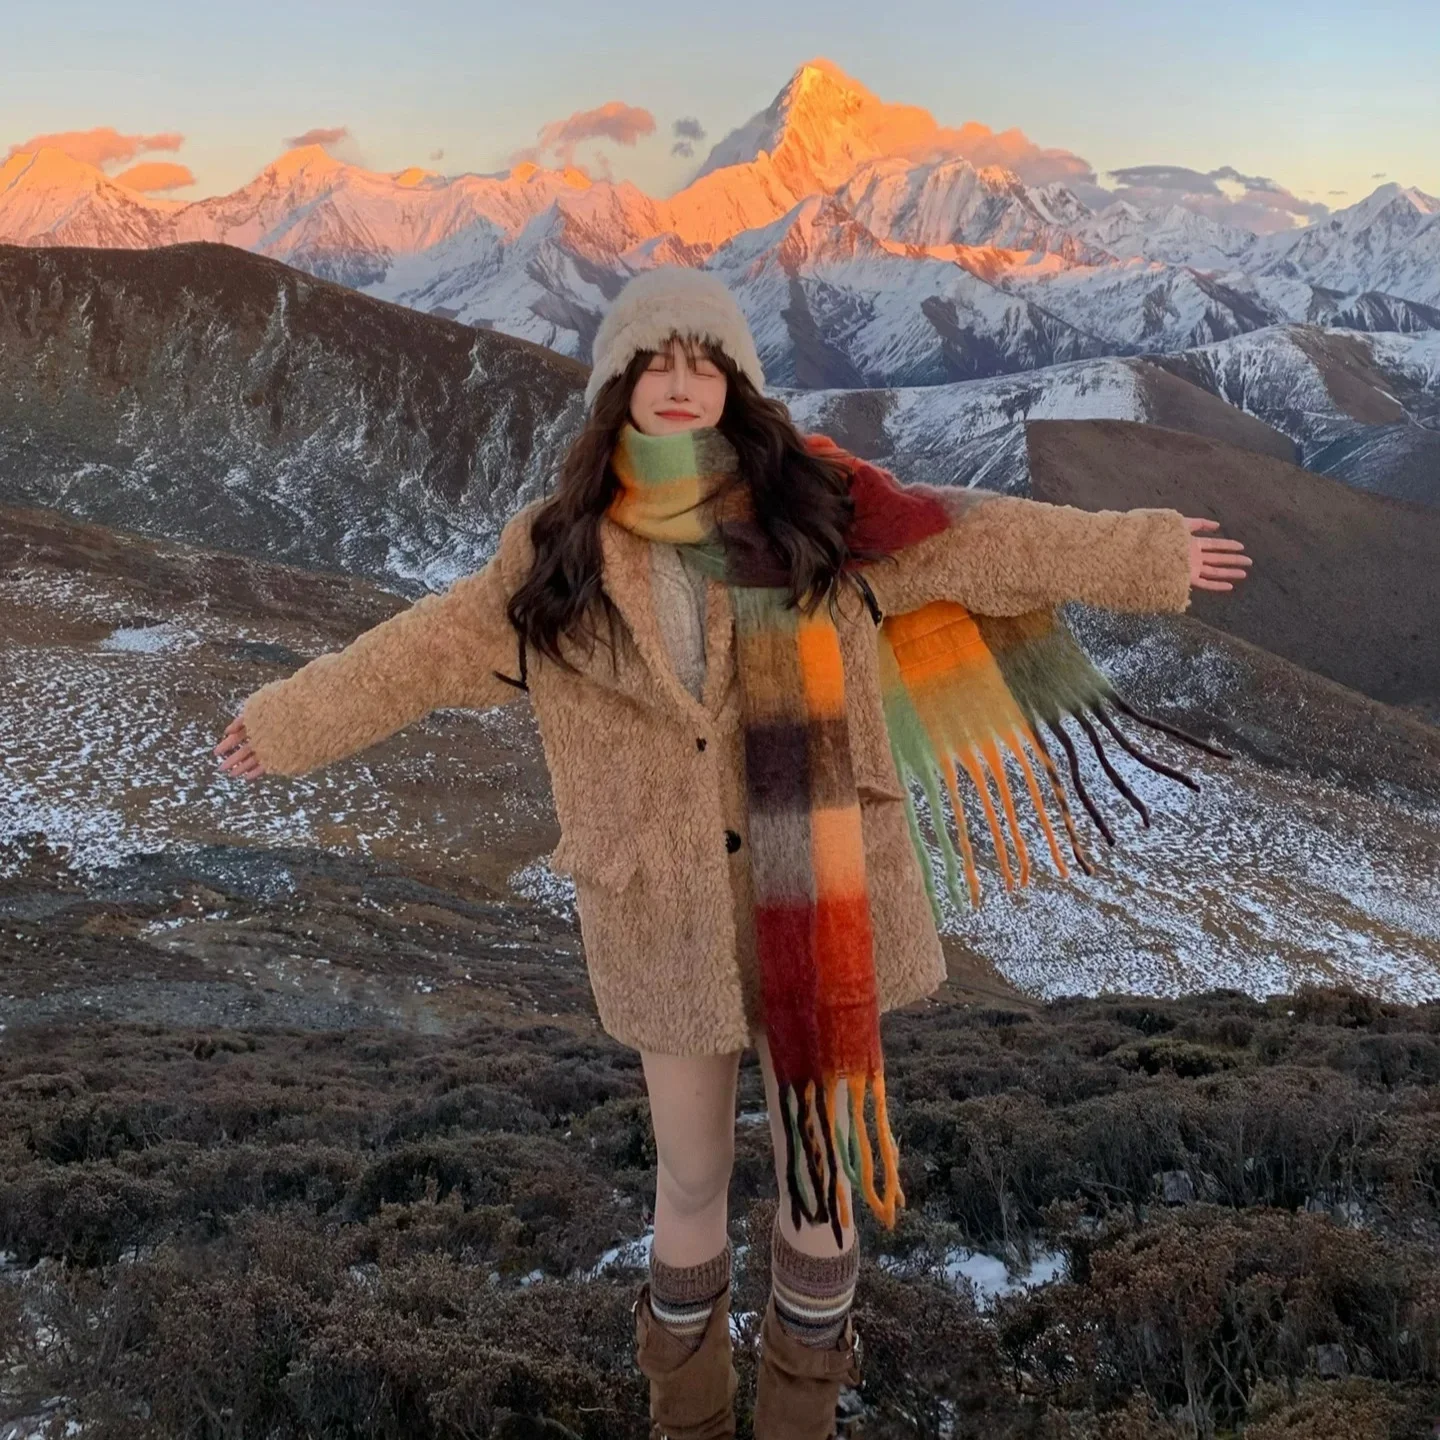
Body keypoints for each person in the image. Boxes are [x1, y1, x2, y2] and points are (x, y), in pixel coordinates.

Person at [214, 265, 1251, 1439]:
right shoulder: (556, 554)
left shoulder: (821, 517)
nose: (679, 381)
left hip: (821, 895)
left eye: (703, 361)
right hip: (663, 914)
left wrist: (1141, 555)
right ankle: (690, 1420)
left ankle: (796, 1420)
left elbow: (981, 538)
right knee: (692, 1178)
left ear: (736, 385)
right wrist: (290, 722)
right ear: (616, 384)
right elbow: (423, 651)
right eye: (654, 360)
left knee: (819, 1184)